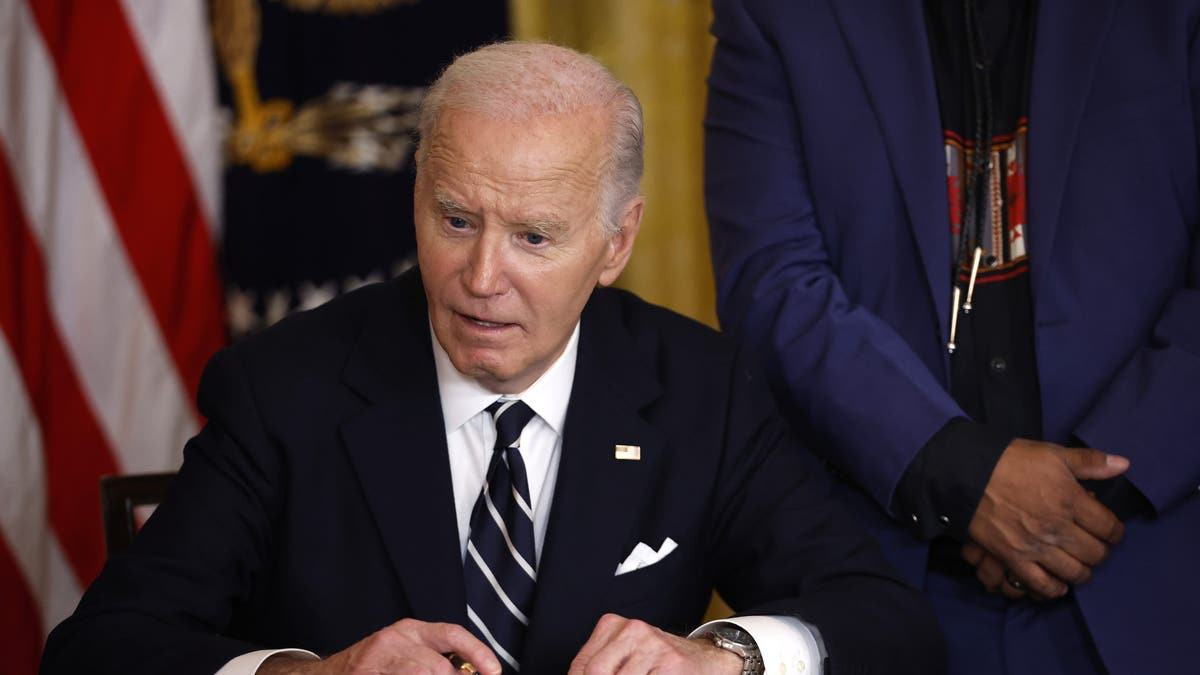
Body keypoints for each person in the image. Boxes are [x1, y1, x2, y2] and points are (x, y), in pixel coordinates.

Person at [40, 42, 944, 675]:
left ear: (616, 243)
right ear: (418, 200)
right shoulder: (285, 388)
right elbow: (102, 647)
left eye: (535, 236)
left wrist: (724, 657)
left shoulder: (701, 388)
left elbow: (888, 626)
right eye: (456, 220)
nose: (481, 278)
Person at [704, 0, 1200, 674]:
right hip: (890, 573)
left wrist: (1075, 504)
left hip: (1153, 557)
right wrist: (962, 473)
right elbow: (769, 282)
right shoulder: (777, 14)